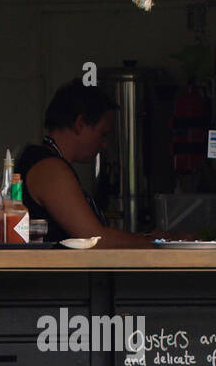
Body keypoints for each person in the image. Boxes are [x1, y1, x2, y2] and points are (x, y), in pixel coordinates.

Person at [17, 81, 157, 247]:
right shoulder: (51, 169)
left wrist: (146, 237)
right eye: (103, 134)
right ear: (80, 124)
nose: (104, 145)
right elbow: (94, 239)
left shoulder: (46, 161)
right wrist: (157, 242)